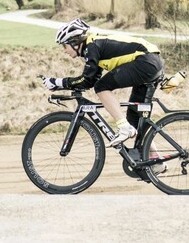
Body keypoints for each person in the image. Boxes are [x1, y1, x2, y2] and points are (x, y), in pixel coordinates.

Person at [41, 18, 165, 152]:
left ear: (74, 42)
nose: (64, 50)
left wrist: (58, 82)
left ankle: (123, 127)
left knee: (102, 87)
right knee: (135, 118)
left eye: (64, 46)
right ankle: (156, 160)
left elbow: (87, 80)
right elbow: (90, 80)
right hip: (151, 62)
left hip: (145, 61)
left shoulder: (92, 46)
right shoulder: (94, 46)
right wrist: (61, 84)